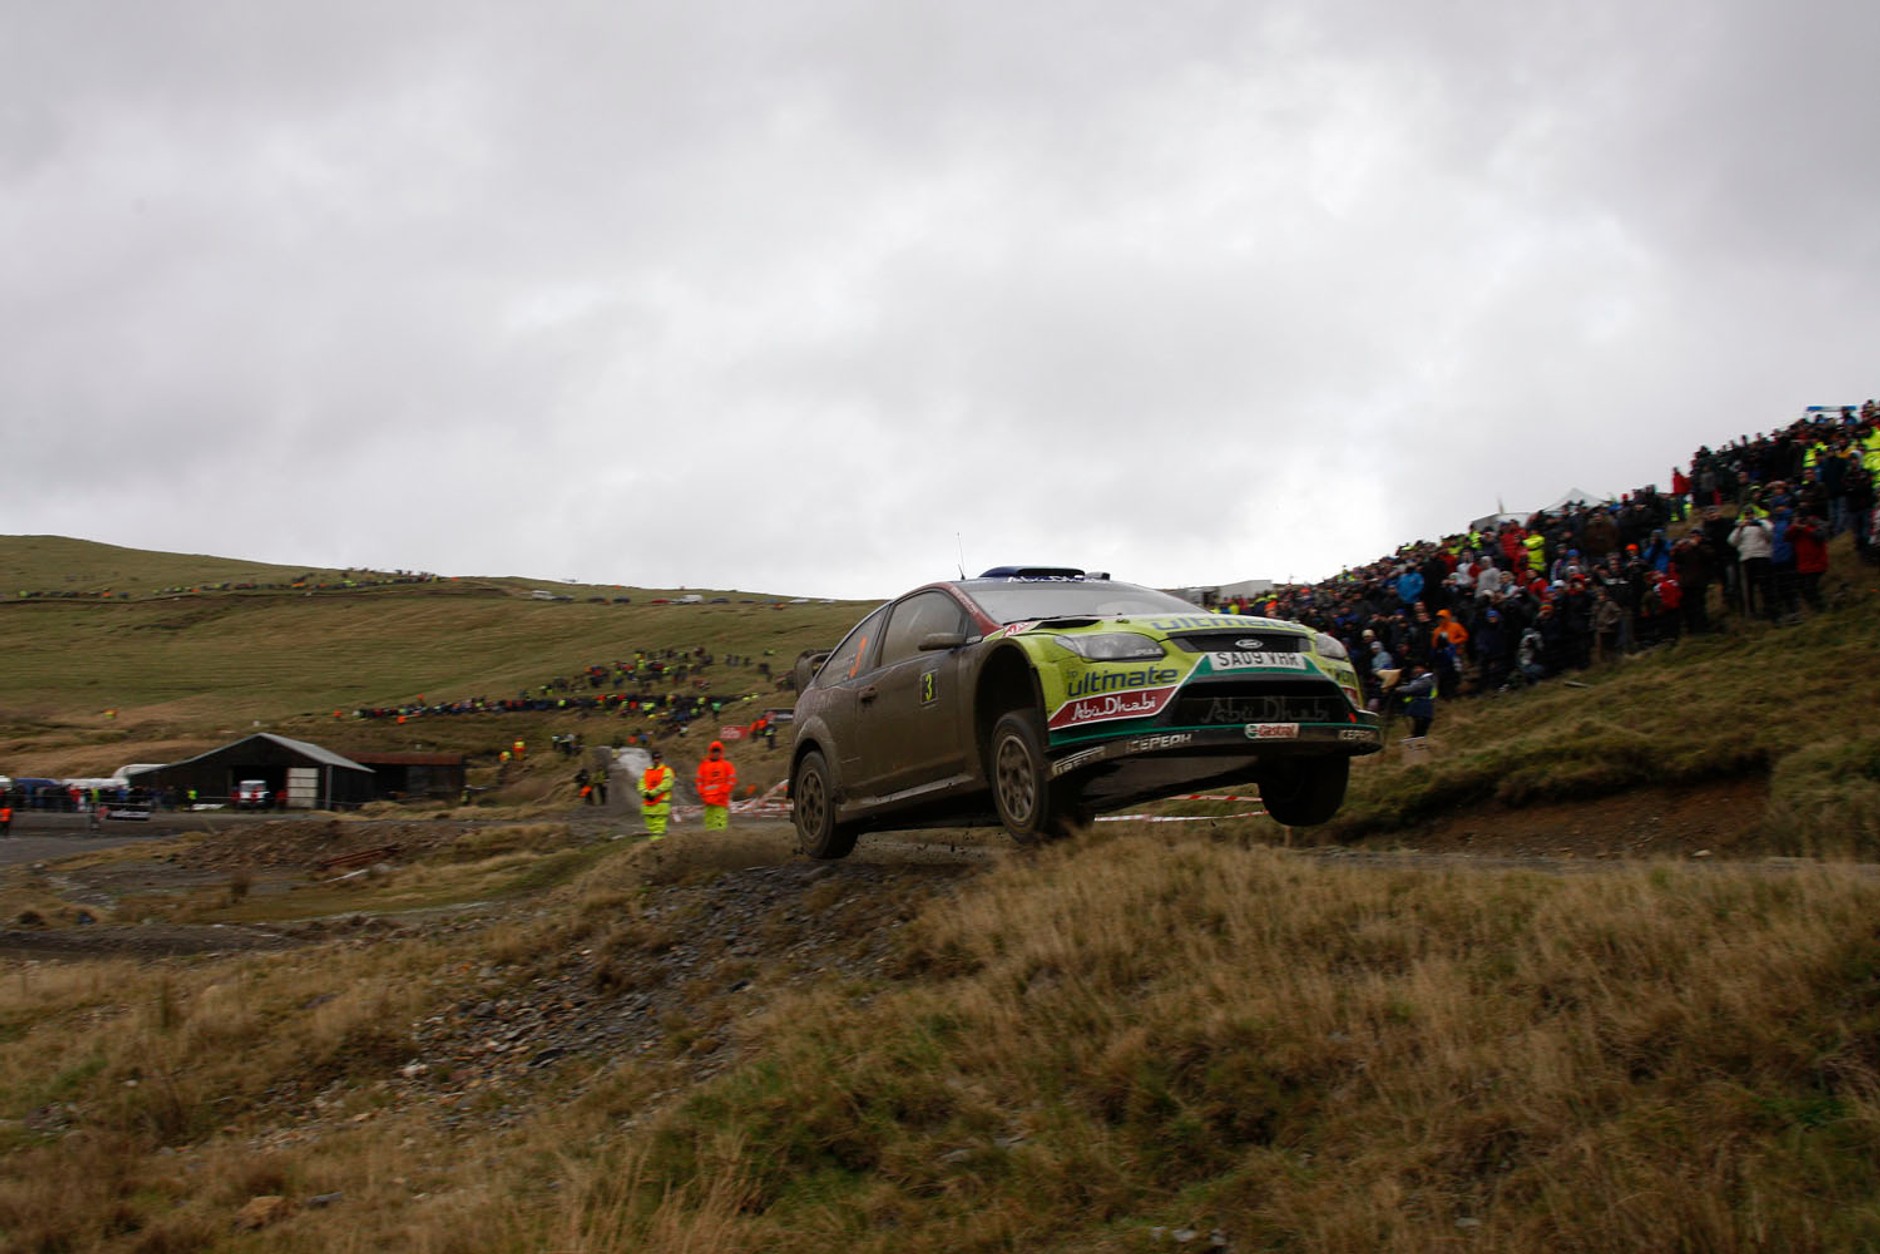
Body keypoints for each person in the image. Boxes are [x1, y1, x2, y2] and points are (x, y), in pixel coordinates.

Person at [695, 740, 737, 831]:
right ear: (710, 751)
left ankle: (720, 839)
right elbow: (699, 781)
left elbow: (732, 780)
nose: (716, 753)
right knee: (709, 824)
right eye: (714, 751)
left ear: (721, 752)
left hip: (720, 800)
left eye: (718, 751)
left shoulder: (727, 765)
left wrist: (723, 791)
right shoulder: (703, 765)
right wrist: (702, 793)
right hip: (708, 800)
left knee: (720, 824)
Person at [640, 749, 675, 839]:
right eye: (655, 758)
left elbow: (667, 784)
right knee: (652, 829)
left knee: (659, 829)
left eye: (658, 758)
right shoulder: (647, 771)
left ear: (661, 759)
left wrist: (652, 793)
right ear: (652, 759)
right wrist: (645, 793)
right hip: (649, 805)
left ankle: (657, 845)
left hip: (661, 804)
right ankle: (655, 844)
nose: (656, 760)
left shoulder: (666, 770)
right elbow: (641, 784)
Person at [1398, 662, 1437, 739]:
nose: (1416, 670)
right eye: (1415, 668)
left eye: (1418, 668)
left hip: (1423, 708)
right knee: (1417, 730)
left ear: (1425, 669)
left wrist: (1399, 689)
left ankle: (1417, 744)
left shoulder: (1426, 680)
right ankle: (1416, 743)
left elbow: (1413, 689)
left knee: (1420, 730)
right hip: (1419, 708)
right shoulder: (1417, 679)